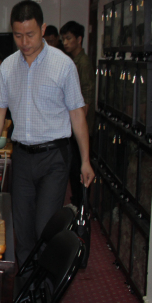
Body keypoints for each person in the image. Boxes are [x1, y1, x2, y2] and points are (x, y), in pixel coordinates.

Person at [0, 0, 94, 266]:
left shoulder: (63, 65)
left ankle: (46, 283)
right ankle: (27, 283)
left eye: (30, 35)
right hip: (22, 156)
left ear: (43, 29)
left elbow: (77, 114)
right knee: (21, 227)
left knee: (45, 226)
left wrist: (86, 160)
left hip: (54, 157)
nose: (24, 42)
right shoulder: (8, 67)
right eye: (18, 35)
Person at [60, 20, 95, 206]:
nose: (65, 43)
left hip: (80, 127)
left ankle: (81, 207)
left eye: (69, 38)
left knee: (79, 170)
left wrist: (77, 126)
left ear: (79, 39)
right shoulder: (71, 61)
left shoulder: (83, 63)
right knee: (73, 171)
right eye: (63, 39)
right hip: (74, 126)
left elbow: (86, 97)